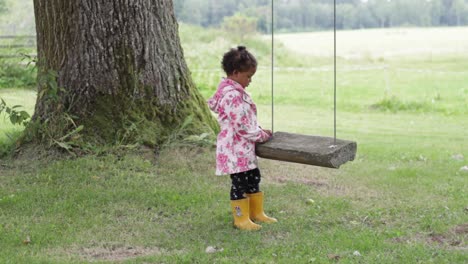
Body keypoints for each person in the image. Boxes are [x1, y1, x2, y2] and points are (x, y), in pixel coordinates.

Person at [207, 46, 277, 231]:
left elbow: (245, 121)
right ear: (235, 73)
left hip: (243, 149)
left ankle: (256, 213)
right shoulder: (232, 96)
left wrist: (258, 129)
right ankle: (241, 219)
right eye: (248, 76)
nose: (250, 81)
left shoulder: (235, 93)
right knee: (239, 183)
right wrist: (261, 135)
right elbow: (242, 126)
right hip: (234, 149)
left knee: (253, 177)